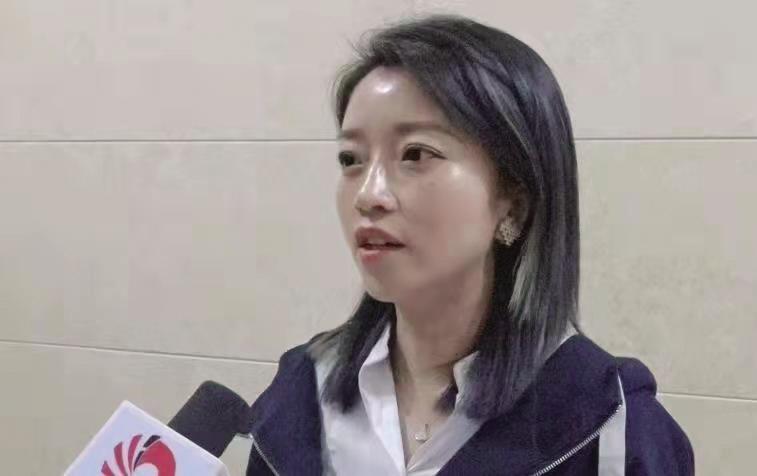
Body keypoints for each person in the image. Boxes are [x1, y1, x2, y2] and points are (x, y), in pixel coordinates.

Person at [246, 13, 694, 476]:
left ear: (513, 201)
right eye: (350, 159)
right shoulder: (300, 397)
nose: (368, 194)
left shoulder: (606, 426)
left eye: (416, 154)